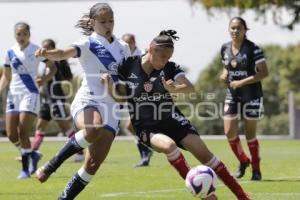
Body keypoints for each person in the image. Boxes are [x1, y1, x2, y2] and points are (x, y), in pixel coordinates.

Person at [105, 30, 250, 200]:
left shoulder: (169, 67)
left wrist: (173, 88)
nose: (165, 61)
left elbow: (190, 87)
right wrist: (108, 86)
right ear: (151, 49)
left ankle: (244, 198)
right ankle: (202, 192)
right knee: (169, 146)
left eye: (168, 57)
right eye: (163, 57)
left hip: (172, 119)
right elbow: (120, 98)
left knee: (208, 157)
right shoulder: (128, 65)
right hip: (146, 126)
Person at [35, 3, 130, 199]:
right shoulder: (87, 43)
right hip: (89, 99)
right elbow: (62, 53)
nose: (108, 25)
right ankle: (52, 164)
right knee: (93, 129)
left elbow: (128, 80)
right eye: (103, 21)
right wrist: (47, 54)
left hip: (112, 107)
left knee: (92, 165)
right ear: (93, 23)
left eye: (111, 20)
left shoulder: (123, 47)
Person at [0, 22, 56, 179]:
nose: (21, 37)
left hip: (30, 93)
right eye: (18, 34)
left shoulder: (36, 50)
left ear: (29, 35)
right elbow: (6, 75)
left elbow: (53, 68)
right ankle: (33, 154)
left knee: (22, 131)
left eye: (24, 34)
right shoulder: (10, 52)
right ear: (14, 35)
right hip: (13, 94)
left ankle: (25, 169)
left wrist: (43, 79)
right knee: (11, 135)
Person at [219, 17, 268, 181]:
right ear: (228, 29)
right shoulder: (224, 48)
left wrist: (241, 82)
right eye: (232, 28)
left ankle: (256, 170)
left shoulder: (253, 49)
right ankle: (243, 161)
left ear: (245, 30)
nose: (235, 31)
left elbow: (264, 72)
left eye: (239, 28)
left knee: (250, 135)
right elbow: (226, 69)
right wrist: (224, 76)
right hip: (232, 95)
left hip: (252, 95)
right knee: (229, 131)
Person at [31, 38, 84, 162]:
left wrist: (47, 80)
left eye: (47, 48)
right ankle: (31, 153)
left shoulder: (57, 62)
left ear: (53, 48)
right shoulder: (45, 62)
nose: (44, 50)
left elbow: (67, 77)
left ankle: (80, 152)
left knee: (65, 127)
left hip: (56, 99)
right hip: (47, 100)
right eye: (43, 47)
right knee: (40, 126)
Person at [121, 33, 153, 167]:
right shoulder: (123, 55)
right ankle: (147, 151)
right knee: (131, 126)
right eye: (124, 43)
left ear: (134, 42)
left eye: (128, 43)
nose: (126, 46)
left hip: (144, 94)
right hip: (131, 94)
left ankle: (147, 151)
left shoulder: (141, 55)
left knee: (131, 125)